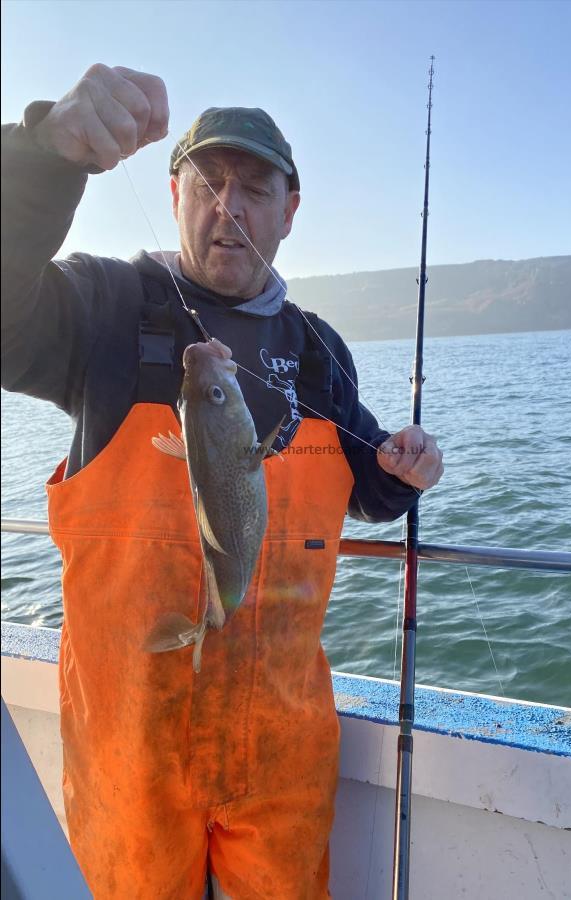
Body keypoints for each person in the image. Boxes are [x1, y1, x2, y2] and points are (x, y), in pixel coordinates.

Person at [1, 64, 443, 899]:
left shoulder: (318, 350)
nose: (227, 206)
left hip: (282, 747)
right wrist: (43, 154)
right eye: (207, 183)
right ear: (174, 195)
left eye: (254, 188)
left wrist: (405, 470)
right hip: (129, 746)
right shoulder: (102, 304)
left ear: (288, 211)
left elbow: (370, 487)